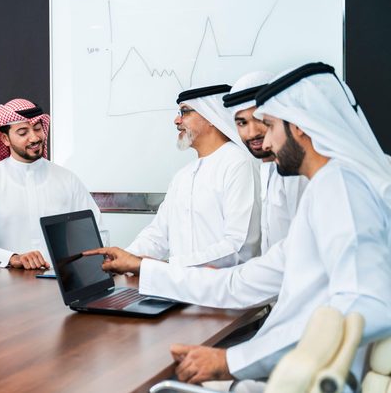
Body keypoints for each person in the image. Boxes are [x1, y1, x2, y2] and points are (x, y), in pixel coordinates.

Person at [85, 62, 391, 384]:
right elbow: (240, 283)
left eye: (268, 125)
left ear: (299, 126)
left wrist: (233, 360)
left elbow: (365, 304)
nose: (264, 142)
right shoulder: (327, 190)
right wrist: (145, 267)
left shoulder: (341, 187)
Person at [124, 84, 261, 267]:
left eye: (185, 112)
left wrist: (168, 268)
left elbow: (239, 247)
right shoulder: (183, 176)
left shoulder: (238, 164)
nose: (176, 120)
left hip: (222, 291)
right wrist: (124, 259)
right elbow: (157, 235)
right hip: (180, 291)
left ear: (211, 116)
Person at [0, 98, 101, 270]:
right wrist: (12, 258)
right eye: (22, 132)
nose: (34, 138)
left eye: (37, 129)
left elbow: (96, 233)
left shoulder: (67, 179)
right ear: (5, 139)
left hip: (60, 283)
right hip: (5, 285)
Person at [222, 72, 307, 253]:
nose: (252, 133)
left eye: (261, 120)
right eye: (242, 123)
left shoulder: (299, 173)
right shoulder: (267, 168)